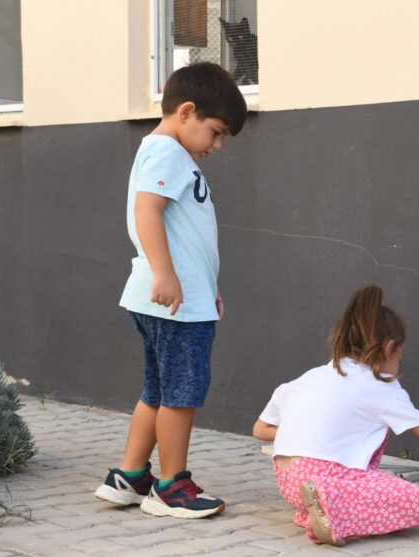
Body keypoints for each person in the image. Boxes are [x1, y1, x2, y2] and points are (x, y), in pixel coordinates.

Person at [94, 62, 247, 518]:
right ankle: (170, 486)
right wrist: (165, 273)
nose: (216, 146)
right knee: (182, 393)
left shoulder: (171, 153)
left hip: (173, 298)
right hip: (173, 303)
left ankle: (131, 475)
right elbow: (148, 212)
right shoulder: (166, 152)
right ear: (186, 112)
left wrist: (208, 286)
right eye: (215, 133)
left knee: (157, 391)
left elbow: (190, 235)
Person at [252, 285, 419, 545]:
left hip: (288, 480)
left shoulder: (314, 375)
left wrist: (305, 431)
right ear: (389, 348)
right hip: (323, 476)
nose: (399, 364)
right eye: (400, 357)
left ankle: (314, 511)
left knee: (372, 485)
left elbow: (260, 430)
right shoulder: (381, 386)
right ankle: (335, 511)